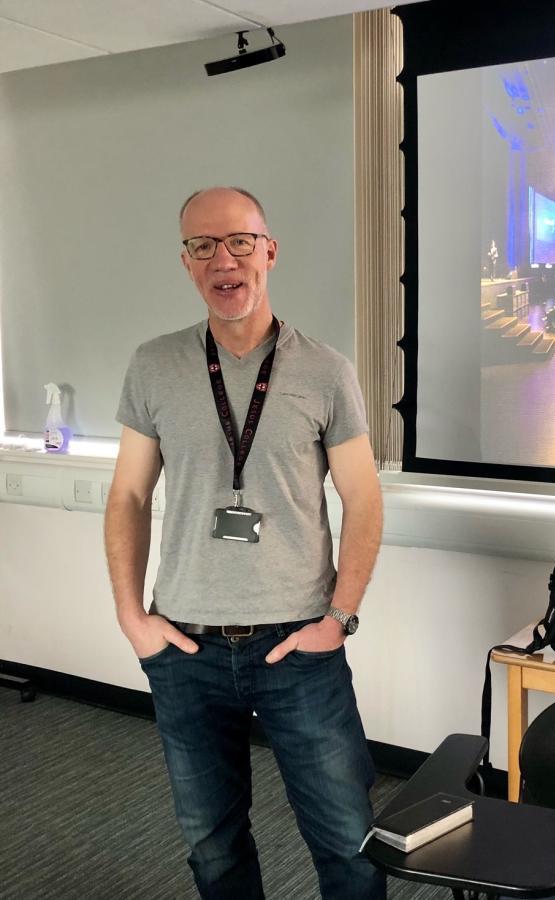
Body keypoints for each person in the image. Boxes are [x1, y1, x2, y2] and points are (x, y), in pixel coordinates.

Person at [104, 186, 385, 900]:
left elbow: (362, 497)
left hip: (297, 645)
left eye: (237, 241)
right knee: (211, 847)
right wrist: (131, 618)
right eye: (202, 246)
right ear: (186, 262)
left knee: (348, 844)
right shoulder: (155, 363)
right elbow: (129, 494)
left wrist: (338, 618)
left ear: (269, 250)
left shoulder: (325, 369)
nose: (221, 259)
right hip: (185, 646)